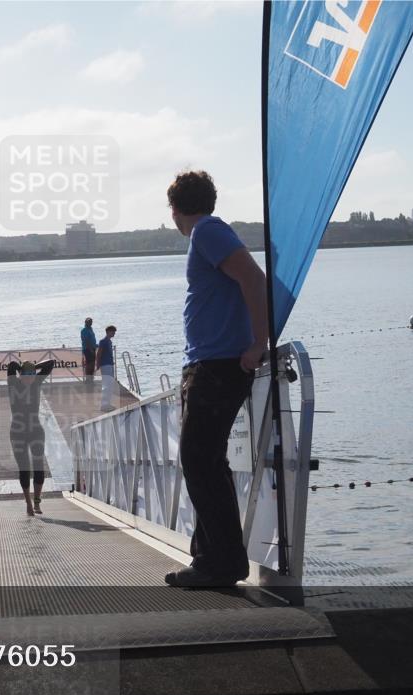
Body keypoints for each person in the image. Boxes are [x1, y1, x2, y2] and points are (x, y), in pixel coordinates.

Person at [164, 170, 268, 589]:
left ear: (175, 209)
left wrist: (257, 343)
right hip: (210, 363)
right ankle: (210, 558)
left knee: (199, 460)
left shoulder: (207, 231)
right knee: (206, 461)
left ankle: (220, 564)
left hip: (219, 365)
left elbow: (253, 278)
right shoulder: (209, 232)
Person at [7, 359, 56, 516]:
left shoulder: (36, 383)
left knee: (38, 466)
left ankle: (36, 502)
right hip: (17, 431)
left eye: (32, 374)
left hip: (35, 430)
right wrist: (23, 368)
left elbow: (51, 363)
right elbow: (11, 365)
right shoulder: (13, 384)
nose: (29, 377)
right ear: (20, 375)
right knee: (24, 468)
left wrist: (33, 368)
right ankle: (28, 502)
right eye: (26, 374)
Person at [94, 326, 117, 411]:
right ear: (108, 332)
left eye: (114, 332)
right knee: (107, 385)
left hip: (109, 364)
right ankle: (104, 405)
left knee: (110, 384)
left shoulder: (109, 341)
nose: (114, 333)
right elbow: (99, 353)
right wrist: (98, 364)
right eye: (113, 331)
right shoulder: (103, 341)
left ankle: (107, 403)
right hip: (105, 365)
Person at [80, 317, 98, 387]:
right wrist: (90, 349)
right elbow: (85, 341)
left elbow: (92, 339)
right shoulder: (84, 330)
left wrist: (95, 345)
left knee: (93, 364)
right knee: (89, 364)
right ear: (85, 322)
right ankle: (88, 380)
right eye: (88, 322)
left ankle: (91, 379)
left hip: (93, 348)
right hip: (87, 349)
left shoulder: (91, 329)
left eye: (91, 322)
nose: (90, 323)